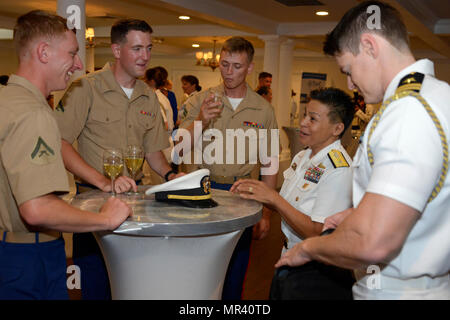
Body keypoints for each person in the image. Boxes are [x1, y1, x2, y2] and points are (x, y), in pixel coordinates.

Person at [275, 0, 450, 300]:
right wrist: (361, 212)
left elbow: (375, 242)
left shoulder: (407, 112)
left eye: (348, 69)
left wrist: (308, 247)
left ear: (369, 46)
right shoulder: (438, 94)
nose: (350, 83)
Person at [0, 10, 131, 300]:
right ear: (43, 52)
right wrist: (104, 219)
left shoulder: (8, 99)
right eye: (72, 54)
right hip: (28, 257)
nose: (79, 65)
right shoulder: (32, 113)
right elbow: (36, 209)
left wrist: (99, 180)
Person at [53, 19, 182, 300]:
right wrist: (102, 181)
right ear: (116, 50)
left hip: (137, 205)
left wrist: (172, 176)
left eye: (148, 48)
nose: (145, 56)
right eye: (136, 48)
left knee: (135, 287)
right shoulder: (85, 88)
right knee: (97, 287)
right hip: (93, 204)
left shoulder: (149, 97)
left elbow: (153, 153)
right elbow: (59, 142)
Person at [177, 36, 279, 300]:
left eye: (236, 66)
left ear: (250, 68)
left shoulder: (263, 109)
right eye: (224, 64)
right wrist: (200, 120)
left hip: (242, 193)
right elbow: (178, 149)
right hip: (204, 191)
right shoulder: (200, 100)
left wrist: (266, 213)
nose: (229, 72)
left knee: (236, 267)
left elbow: (269, 164)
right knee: (200, 266)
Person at [231, 87, 355, 300]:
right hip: (289, 258)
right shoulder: (304, 156)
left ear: (337, 128)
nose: (304, 122)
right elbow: (288, 204)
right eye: (305, 114)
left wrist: (274, 198)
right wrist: (254, 191)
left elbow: (319, 233)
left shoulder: (338, 169)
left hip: (315, 271)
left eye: (313, 118)